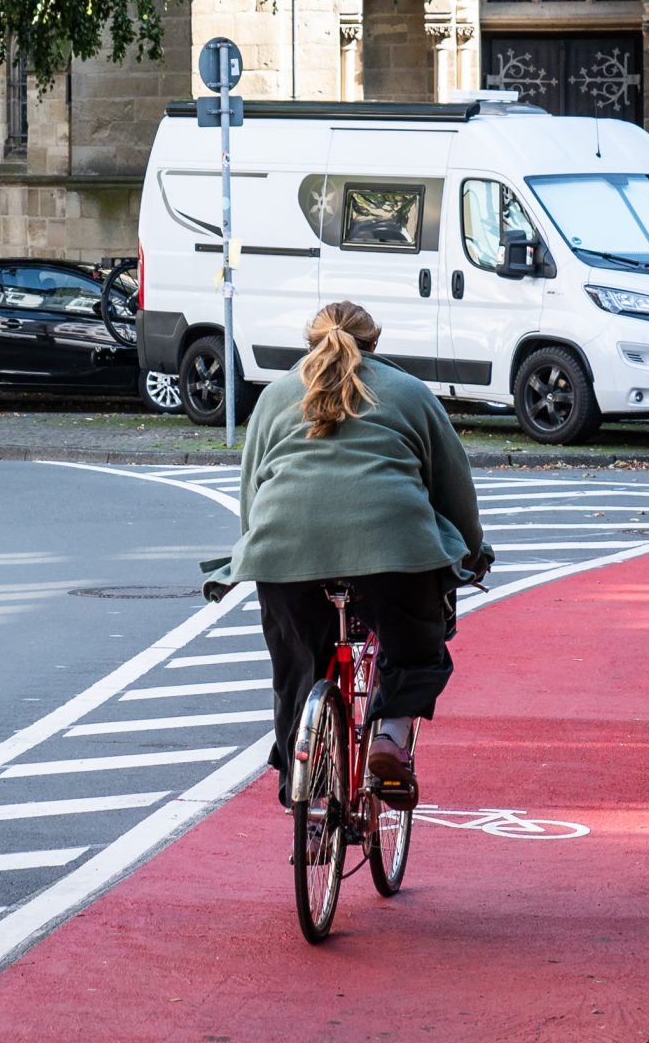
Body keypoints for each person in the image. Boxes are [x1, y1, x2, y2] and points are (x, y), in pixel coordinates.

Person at [206, 301, 489, 810]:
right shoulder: (410, 393)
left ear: (309, 342)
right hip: (394, 553)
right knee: (415, 649)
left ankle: (308, 783)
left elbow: (252, 496)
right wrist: (471, 553)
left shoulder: (273, 397)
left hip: (284, 551)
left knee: (297, 668)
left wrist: (257, 548)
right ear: (374, 342)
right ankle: (390, 739)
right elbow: (454, 489)